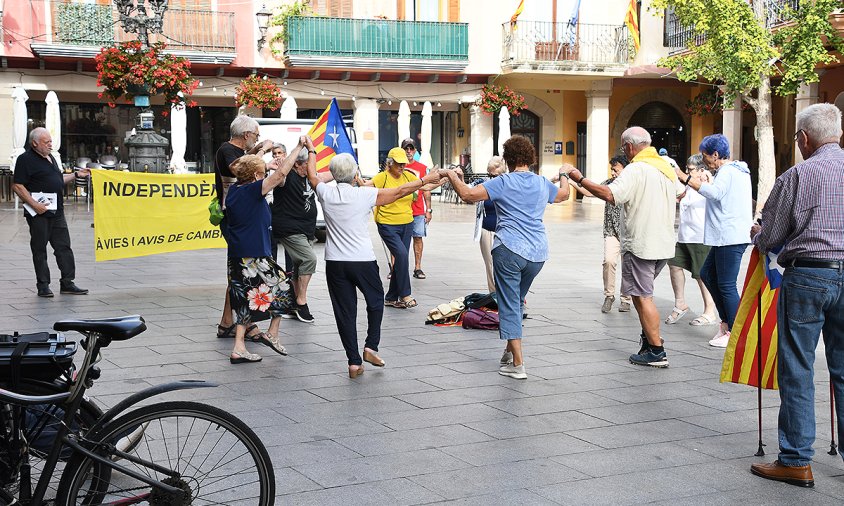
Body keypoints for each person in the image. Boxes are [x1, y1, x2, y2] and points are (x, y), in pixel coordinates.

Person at [749, 103, 844, 487]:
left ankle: (795, 459)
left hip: (809, 275)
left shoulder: (798, 175)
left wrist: (757, 234)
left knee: (798, 367)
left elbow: (770, 236)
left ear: (804, 138)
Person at [305, 148, 443, 378]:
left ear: (333, 173)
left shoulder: (325, 193)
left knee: (344, 312)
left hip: (335, 262)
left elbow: (311, 175)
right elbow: (400, 191)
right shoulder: (364, 195)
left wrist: (310, 149)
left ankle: (353, 362)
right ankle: (370, 346)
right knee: (376, 300)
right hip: (362, 259)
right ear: (354, 173)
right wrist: (424, 180)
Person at [442, 136, 569, 380]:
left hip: (509, 249)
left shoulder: (502, 182)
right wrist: (564, 172)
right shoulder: (542, 183)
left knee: (509, 304)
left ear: (508, 159)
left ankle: (518, 365)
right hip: (537, 254)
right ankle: (510, 352)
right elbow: (563, 195)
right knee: (517, 301)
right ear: (530, 158)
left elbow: (468, 195)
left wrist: (451, 176)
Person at [563, 127, 680, 368]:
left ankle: (656, 350)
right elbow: (681, 193)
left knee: (642, 296)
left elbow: (609, 194)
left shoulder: (636, 169)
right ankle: (649, 341)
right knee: (641, 294)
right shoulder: (666, 167)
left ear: (628, 146)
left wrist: (578, 177)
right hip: (663, 243)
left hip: (642, 243)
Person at [225, 148, 300, 364]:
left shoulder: (235, 190)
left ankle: (239, 348)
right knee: (284, 286)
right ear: (256, 176)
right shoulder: (251, 191)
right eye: (262, 173)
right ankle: (272, 334)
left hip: (238, 255)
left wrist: (260, 155)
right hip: (254, 256)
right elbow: (280, 175)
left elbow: (238, 165)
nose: (265, 176)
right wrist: (298, 149)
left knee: (243, 301)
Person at [678, 134, 752, 347]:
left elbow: (716, 194)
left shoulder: (729, 171)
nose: (705, 161)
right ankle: (727, 323)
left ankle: (736, 332)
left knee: (727, 285)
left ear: (716, 154)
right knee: (707, 274)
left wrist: (685, 178)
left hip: (729, 236)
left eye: (706, 156)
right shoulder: (736, 171)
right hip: (726, 235)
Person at [214, 115, 274, 340]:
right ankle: (246, 324)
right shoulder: (226, 150)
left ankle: (227, 323)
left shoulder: (241, 152)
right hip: (235, 217)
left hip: (246, 217)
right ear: (246, 134)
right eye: (256, 135)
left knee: (240, 272)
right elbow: (241, 169)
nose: (257, 139)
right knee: (245, 270)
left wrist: (258, 150)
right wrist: (262, 151)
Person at [12, 127, 89, 298]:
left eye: (50, 141)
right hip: (39, 212)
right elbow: (18, 185)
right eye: (46, 142)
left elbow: (57, 180)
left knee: (64, 248)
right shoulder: (25, 159)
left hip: (57, 211)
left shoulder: (51, 157)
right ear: (35, 143)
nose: (50, 145)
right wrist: (33, 204)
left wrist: (77, 175)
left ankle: (67, 283)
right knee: (40, 249)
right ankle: (43, 285)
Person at [556, 156, 632, 313]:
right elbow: (590, 192)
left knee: (628, 266)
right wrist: (570, 182)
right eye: (612, 169)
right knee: (609, 261)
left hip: (629, 232)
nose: (613, 173)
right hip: (611, 230)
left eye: (615, 170)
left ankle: (626, 298)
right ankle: (609, 296)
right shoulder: (608, 184)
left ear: (625, 169)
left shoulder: (631, 184)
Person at [270, 146, 334, 324]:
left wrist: (346, 166)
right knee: (309, 260)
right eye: (308, 164)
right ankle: (301, 301)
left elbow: (329, 174)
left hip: (306, 229)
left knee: (300, 265)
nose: (311, 167)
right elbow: (280, 175)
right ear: (298, 164)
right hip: (289, 229)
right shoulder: (287, 177)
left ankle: (292, 303)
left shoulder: (310, 177)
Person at [664, 154, 717, 327]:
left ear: (702, 170)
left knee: (701, 275)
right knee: (674, 264)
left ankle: (710, 311)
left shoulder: (708, 184)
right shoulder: (687, 188)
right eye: (687, 169)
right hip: (684, 236)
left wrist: (708, 179)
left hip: (700, 237)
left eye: (691, 170)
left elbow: (713, 194)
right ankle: (680, 303)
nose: (687, 172)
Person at [367, 147, 419, 309]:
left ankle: (390, 297)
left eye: (403, 163)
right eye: (398, 164)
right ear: (390, 163)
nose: (402, 167)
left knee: (401, 259)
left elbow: (424, 188)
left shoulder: (409, 176)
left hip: (407, 222)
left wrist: (442, 179)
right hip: (387, 223)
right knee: (402, 255)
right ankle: (405, 294)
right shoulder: (382, 177)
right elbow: (366, 187)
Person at [401, 138, 433, 280]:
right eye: (406, 148)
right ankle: (397, 269)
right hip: (400, 208)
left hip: (418, 209)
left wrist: (429, 210)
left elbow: (427, 189)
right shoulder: (396, 166)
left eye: (411, 148)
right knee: (398, 240)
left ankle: (418, 267)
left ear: (415, 150)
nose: (409, 151)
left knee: (418, 238)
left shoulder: (422, 167)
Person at [478, 156, 507, 293]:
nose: (491, 178)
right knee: (490, 265)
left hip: (506, 232)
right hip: (488, 230)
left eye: (494, 175)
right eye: (489, 174)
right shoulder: (485, 185)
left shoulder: (508, 185)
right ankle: (494, 295)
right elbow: (467, 192)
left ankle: (512, 296)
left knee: (507, 266)